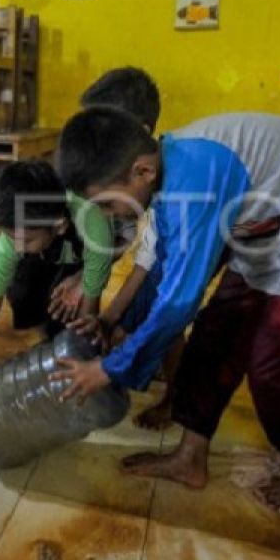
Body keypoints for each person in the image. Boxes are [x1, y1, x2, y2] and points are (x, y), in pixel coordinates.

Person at [52, 109, 280, 515]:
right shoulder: (167, 171)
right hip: (266, 229)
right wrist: (111, 322)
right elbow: (165, 264)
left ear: (141, 171)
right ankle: (190, 458)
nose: (110, 217)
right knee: (214, 337)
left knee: (274, 368)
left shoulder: (192, 180)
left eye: (109, 204)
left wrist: (109, 369)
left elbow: (179, 300)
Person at [0, 160, 113, 443]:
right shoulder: (15, 238)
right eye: (10, 236)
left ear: (59, 225)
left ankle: (56, 337)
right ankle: (47, 331)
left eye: (26, 240)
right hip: (48, 254)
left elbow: (88, 314)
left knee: (71, 322)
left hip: (78, 257)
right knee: (23, 290)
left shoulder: (94, 227)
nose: (16, 246)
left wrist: (81, 367)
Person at [70, 67, 182, 430]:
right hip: (164, 248)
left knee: (167, 311)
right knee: (133, 314)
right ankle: (163, 371)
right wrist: (107, 317)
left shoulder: (172, 179)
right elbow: (143, 252)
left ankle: (178, 398)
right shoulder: (134, 175)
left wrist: (108, 367)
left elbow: (175, 288)